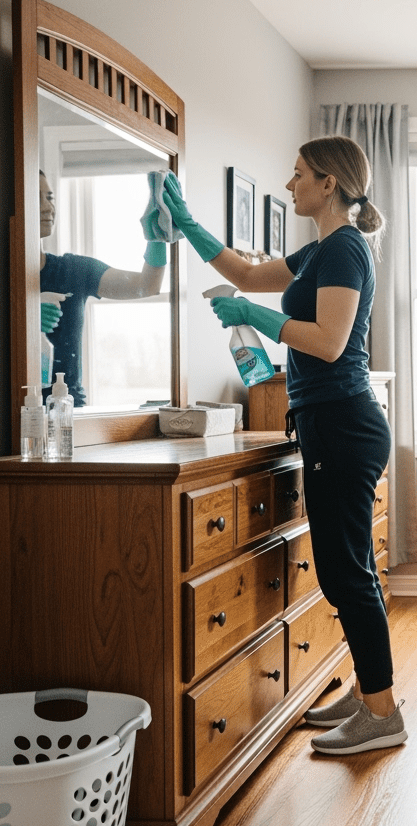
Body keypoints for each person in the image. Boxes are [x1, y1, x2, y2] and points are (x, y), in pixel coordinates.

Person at [156, 136, 402, 756]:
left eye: (298, 175)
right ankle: (371, 694)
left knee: (345, 573)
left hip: (343, 425)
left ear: (329, 183)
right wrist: (187, 223)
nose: (289, 185)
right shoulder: (321, 249)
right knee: (350, 569)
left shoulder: (345, 247)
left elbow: (329, 343)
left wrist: (259, 318)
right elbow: (244, 273)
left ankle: (382, 715)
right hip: (330, 424)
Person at [39, 171, 166, 404]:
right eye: (36, 199)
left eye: (49, 197)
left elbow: (147, 285)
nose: (48, 208)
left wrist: (155, 237)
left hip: (70, 412)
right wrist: (23, 316)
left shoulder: (74, 270)